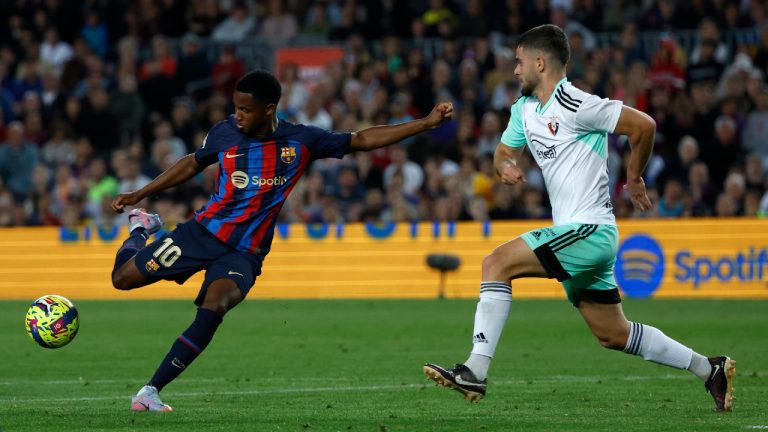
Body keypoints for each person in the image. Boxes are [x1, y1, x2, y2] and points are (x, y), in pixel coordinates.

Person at [423, 25, 736, 412]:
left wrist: (634, 176)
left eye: (520, 62)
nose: (515, 71)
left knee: (495, 263)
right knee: (613, 333)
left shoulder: (576, 104)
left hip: (589, 231)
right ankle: (709, 369)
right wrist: (505, 165)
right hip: (579, 237)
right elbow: (503, 151)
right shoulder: (523, 110)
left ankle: (475, 369)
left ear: (540, 62)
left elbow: (644, 126)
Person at [110, 70, 453, 412]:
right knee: (121, 280)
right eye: (236, 107)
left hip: (245, 252)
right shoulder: (224, 133)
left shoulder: (302, 140)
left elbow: (362, 140)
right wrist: (141, 193)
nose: (238, 115)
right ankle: (141, 228)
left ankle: (150, 391)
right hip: (200, 234)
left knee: (214, 309)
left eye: (246, 109)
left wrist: (424, 123)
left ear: (269, 108)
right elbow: (192, 164)